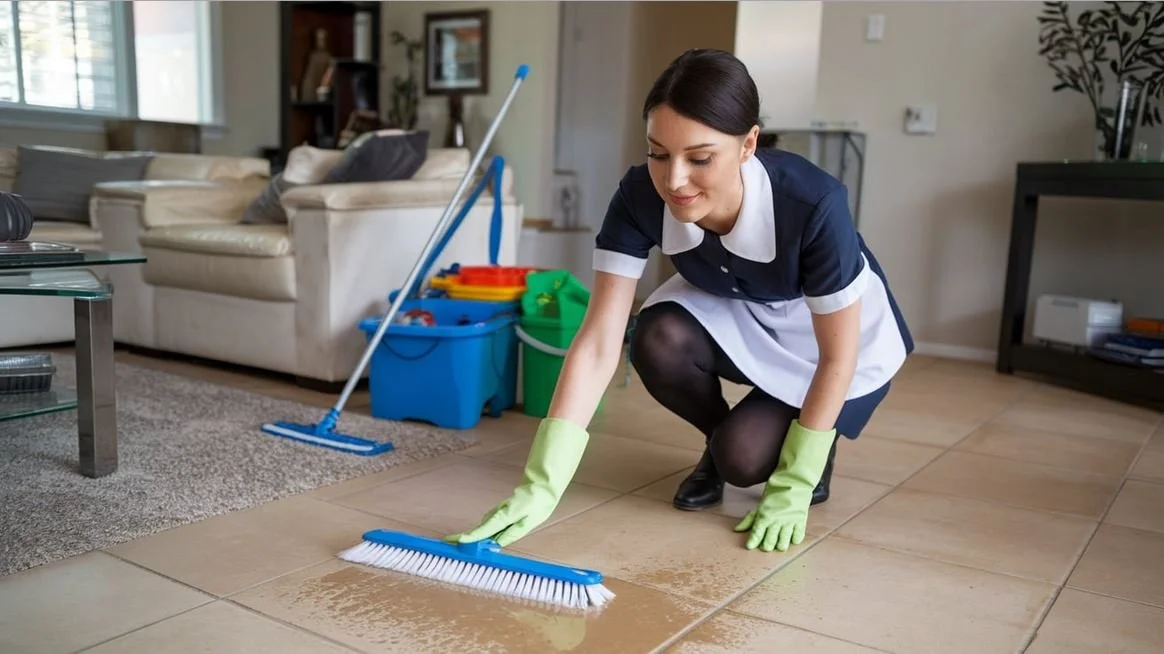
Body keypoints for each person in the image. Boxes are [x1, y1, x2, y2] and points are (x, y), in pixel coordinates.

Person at [448, 48, 913, 553]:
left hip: (835, 344)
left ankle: (809, 447)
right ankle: (721, 440)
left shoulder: (813, 204)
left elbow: (837, 357)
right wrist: (541, 485)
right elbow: (601, 340)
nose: (674, 181)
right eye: (658, 153)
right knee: (657, 337)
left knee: (746, 459)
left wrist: (794, 483)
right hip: (740, 305)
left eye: (700, 158)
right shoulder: (638, 196)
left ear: (747, 144)